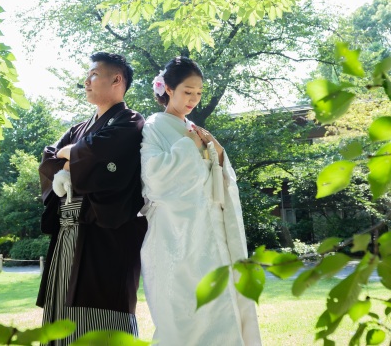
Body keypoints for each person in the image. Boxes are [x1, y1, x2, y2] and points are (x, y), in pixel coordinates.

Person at [139, 56, 262, 345]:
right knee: (184, 311)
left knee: (221, 305)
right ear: (168, 89)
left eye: (198, 93)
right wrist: (188, 146)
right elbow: (153, 178)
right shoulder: (154, 126)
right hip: (176, 234)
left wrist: (218, 153)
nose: (193, 99)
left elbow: (215, 179)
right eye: (187, 91)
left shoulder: (195, 128)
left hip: (210, 230)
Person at [36, 52, 147, 345]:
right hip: (68, 229)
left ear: (117, 79)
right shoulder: (79, 128)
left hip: (105, 230)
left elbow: (101, 156)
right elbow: (49, 159)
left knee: (102, 307)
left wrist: (71, 158)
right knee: (61, 301)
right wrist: (73, 158)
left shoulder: (130, 121)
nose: (86, 81)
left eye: (94, 75)